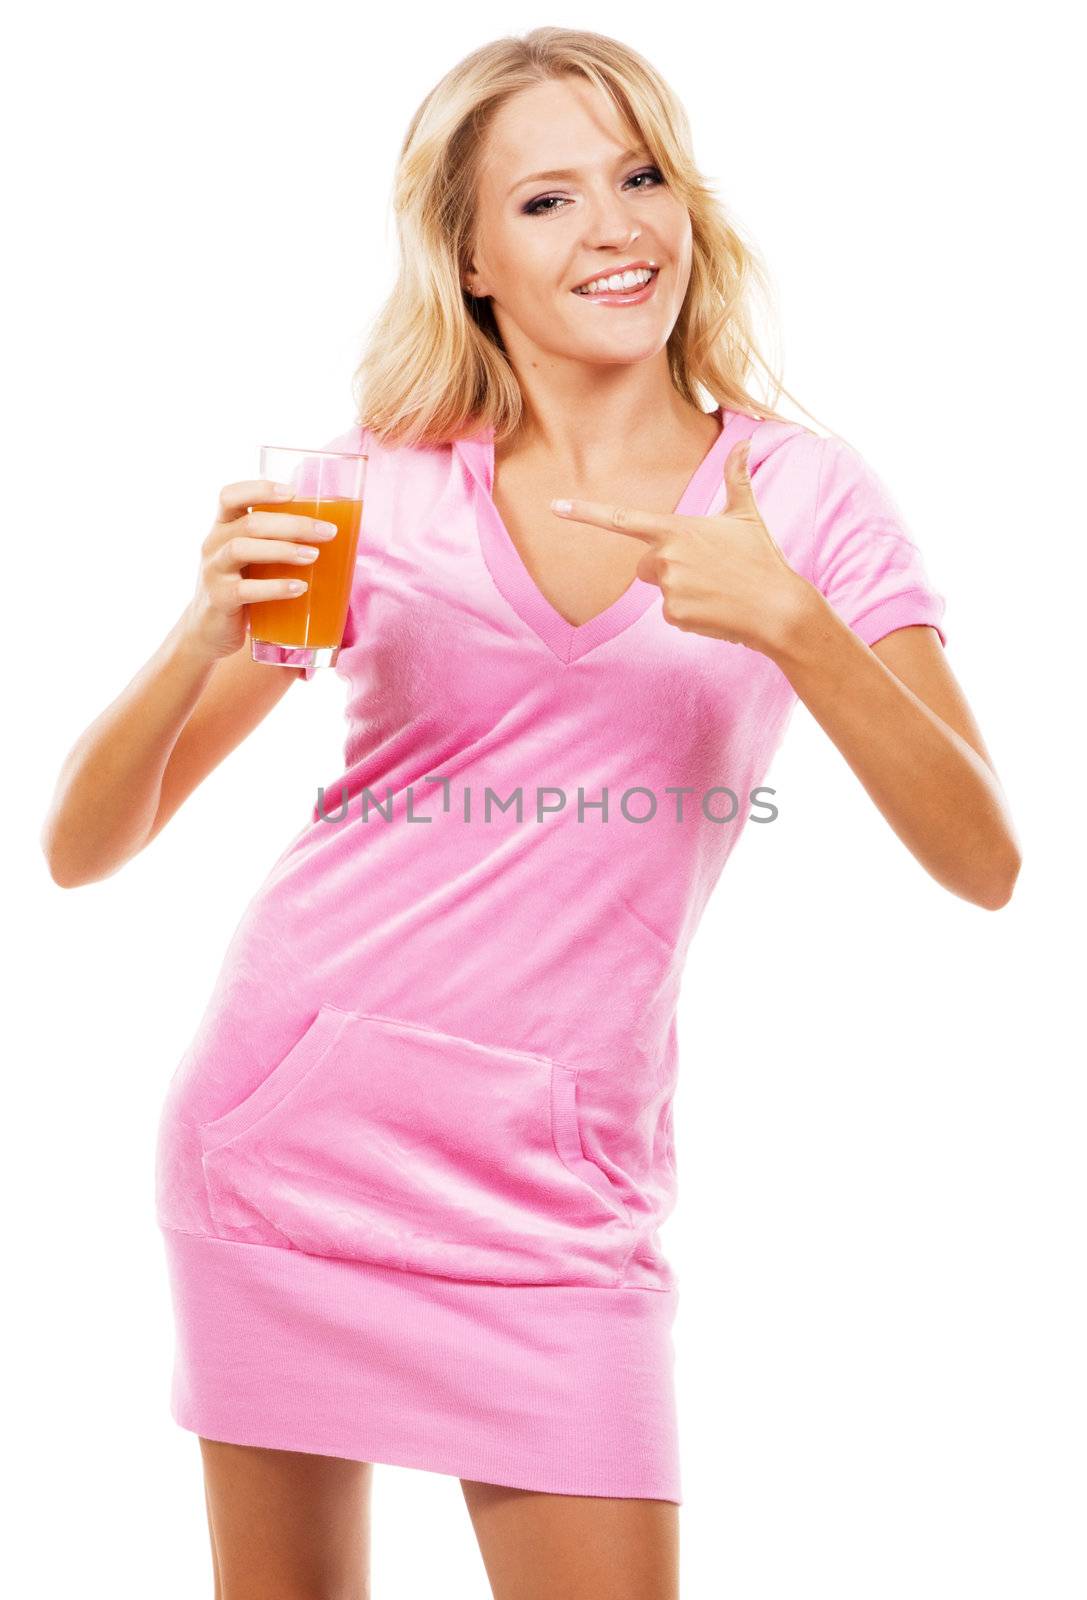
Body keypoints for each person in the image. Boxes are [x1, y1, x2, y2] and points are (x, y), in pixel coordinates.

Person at [41, 26, 1021, 1600]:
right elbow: (85, 850)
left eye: (638, 177)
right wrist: (195, 638)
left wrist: (793, 624)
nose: (617, 228)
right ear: (473, 255)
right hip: (289, 1143)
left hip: (562, 1203)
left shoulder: (804, 500)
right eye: (549, 200)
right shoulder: (381, 486)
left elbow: (985, 860)